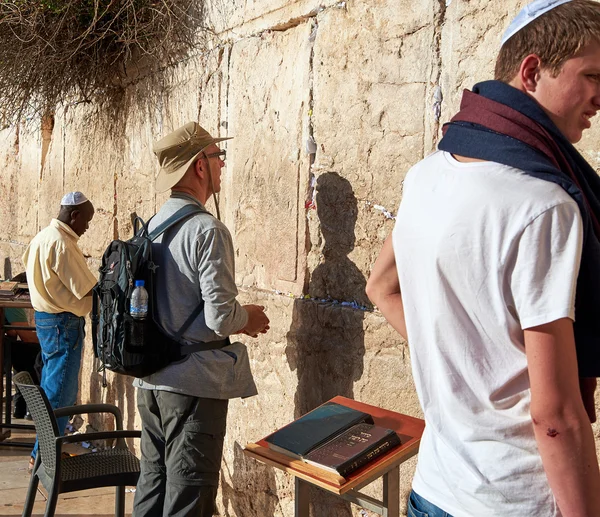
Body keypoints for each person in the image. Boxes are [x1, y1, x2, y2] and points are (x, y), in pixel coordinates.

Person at [366, 1, 600, 516]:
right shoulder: (546, 207)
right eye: (590, 76)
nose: (598, 98)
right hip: (515, 499)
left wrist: (467, 367)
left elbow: (381, 288)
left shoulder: (425, 175)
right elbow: (556, 414)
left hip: (435, 489)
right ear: (533, 71)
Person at [132, 122, 270, 517]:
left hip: (151, 381)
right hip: (192, 387)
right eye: (217, 157)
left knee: (152, 490)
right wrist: (251, 318)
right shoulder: (207, 230)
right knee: (189, 499)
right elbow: (220, 317)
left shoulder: (151, 228)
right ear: (198, 166)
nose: (222, 166)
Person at [22, 192, 97, 467]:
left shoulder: (42, 237)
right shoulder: (62, 243)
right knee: (60, 393)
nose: (87, 227)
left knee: (52, 387)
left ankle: (43, 453)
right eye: (86, 220)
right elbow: (87, 287)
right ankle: (42, 457)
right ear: (74, 215)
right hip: (63, 324)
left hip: (46, 320)